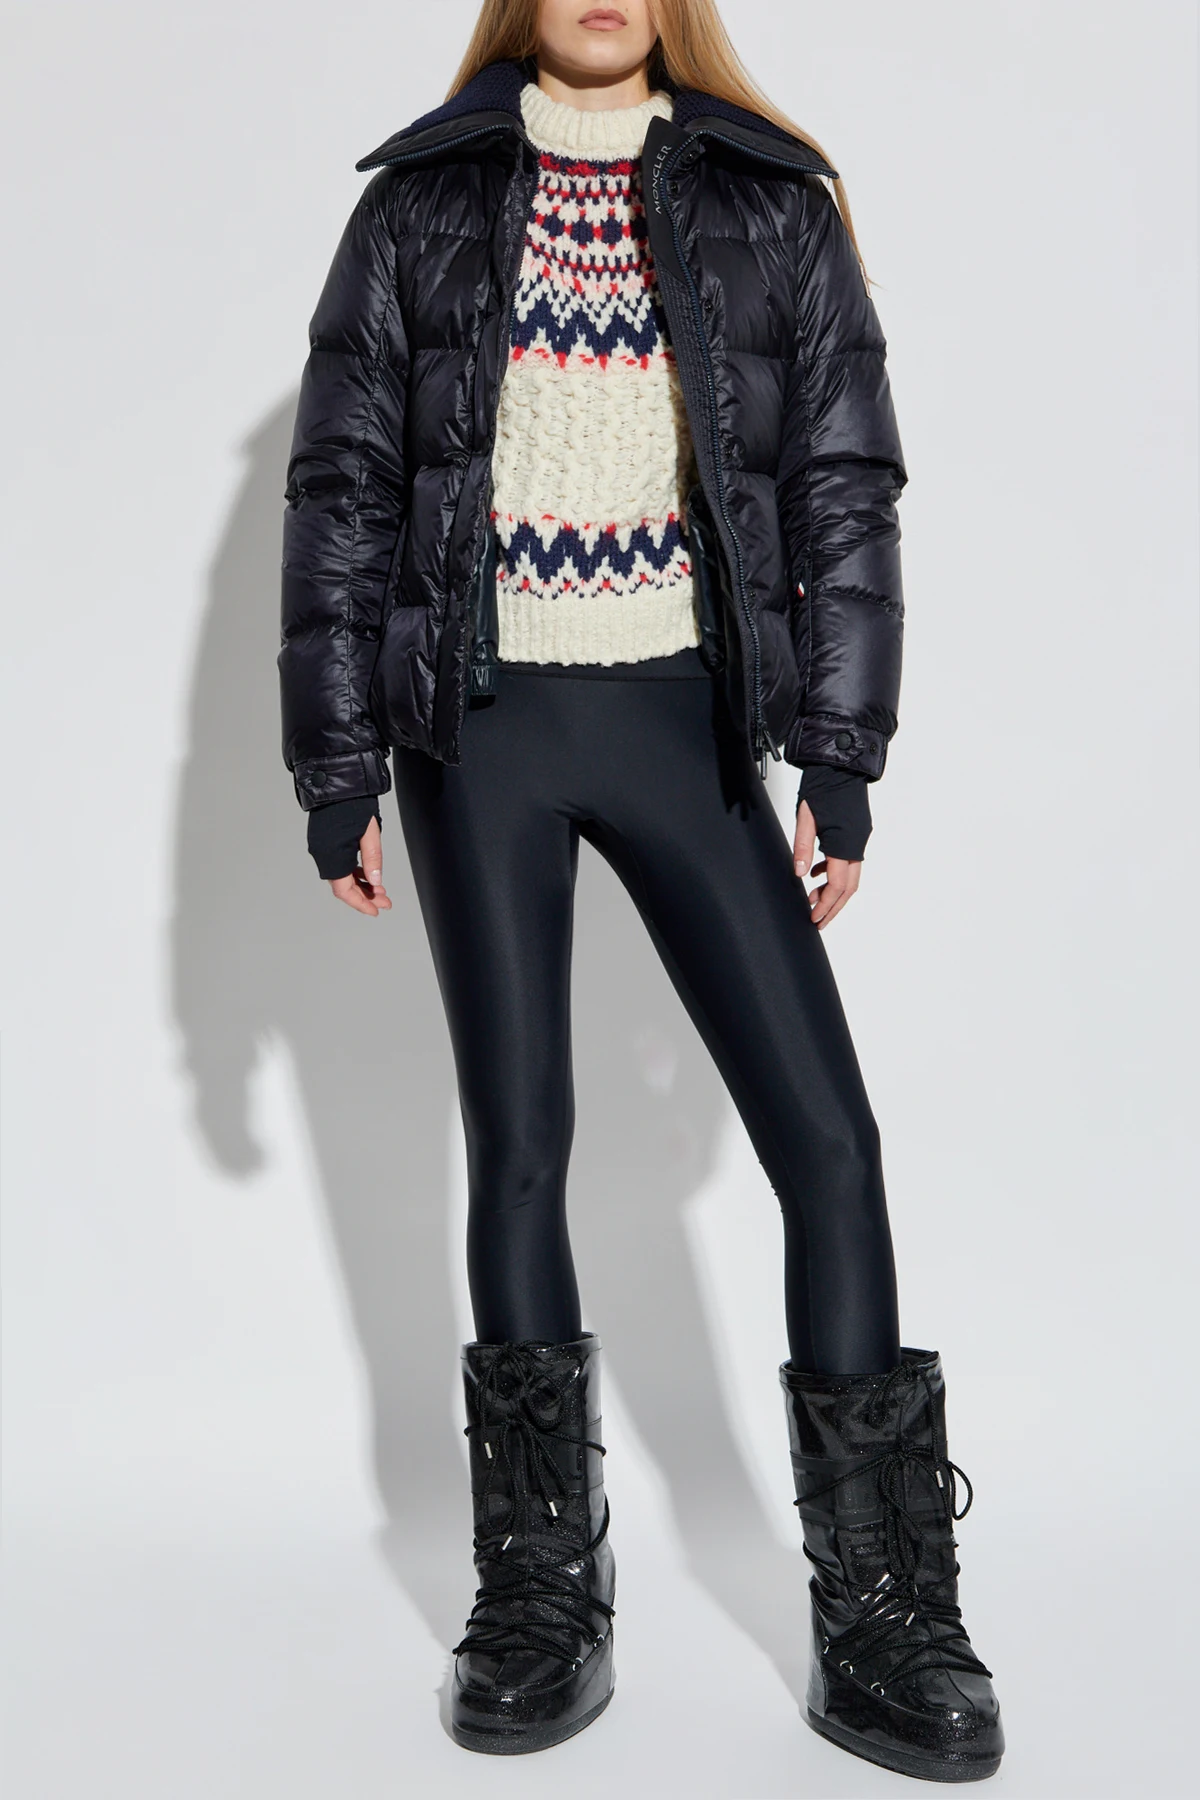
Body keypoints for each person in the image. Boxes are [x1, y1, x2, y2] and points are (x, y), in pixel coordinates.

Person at [278, 0, 1004, 1781]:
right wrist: (337, 763)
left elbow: (842, 479)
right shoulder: (420, 204)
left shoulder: (772, 199)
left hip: (687, 722)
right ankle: (542, 1585)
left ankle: (884, 1606)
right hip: (483, 731)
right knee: (521, 1143)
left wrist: (841, 753)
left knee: (828, 1142)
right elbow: (345, 481)